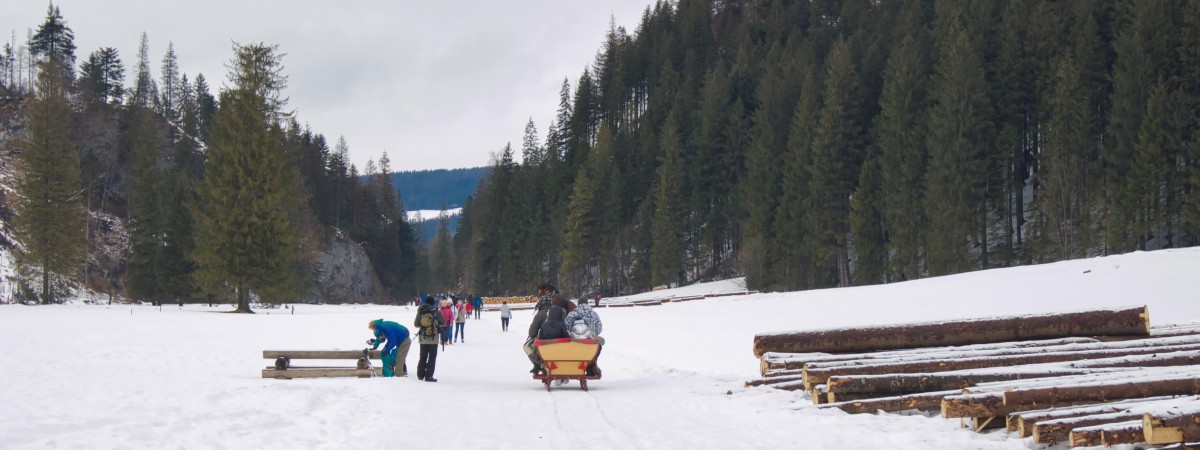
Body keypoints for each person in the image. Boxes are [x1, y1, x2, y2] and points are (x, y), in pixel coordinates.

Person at [564, 297, 605, 376]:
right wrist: (592, 334)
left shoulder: (573, 313)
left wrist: (573, 335)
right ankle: (592, 365)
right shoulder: (594, 313)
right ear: (587, 303)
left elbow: (566, 327)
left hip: (575, 343)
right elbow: (599, 328)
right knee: (599, 345)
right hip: (590, 344)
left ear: (578, 304)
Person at [523, 283, 556, 374]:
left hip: (544, 340)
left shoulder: (539, 314)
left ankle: (537, 364)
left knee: (526, 346)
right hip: (559, 339)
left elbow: (532, 333)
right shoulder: (560, 312)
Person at [414, 297, 444, 382]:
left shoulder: (420, 311)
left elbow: (416, 324)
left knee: (422, 357)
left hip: (423, 338)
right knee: (432, 357)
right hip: (433, 339)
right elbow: (443, 322)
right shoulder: (435, 311)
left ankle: (420, 375)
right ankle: (429, 376)